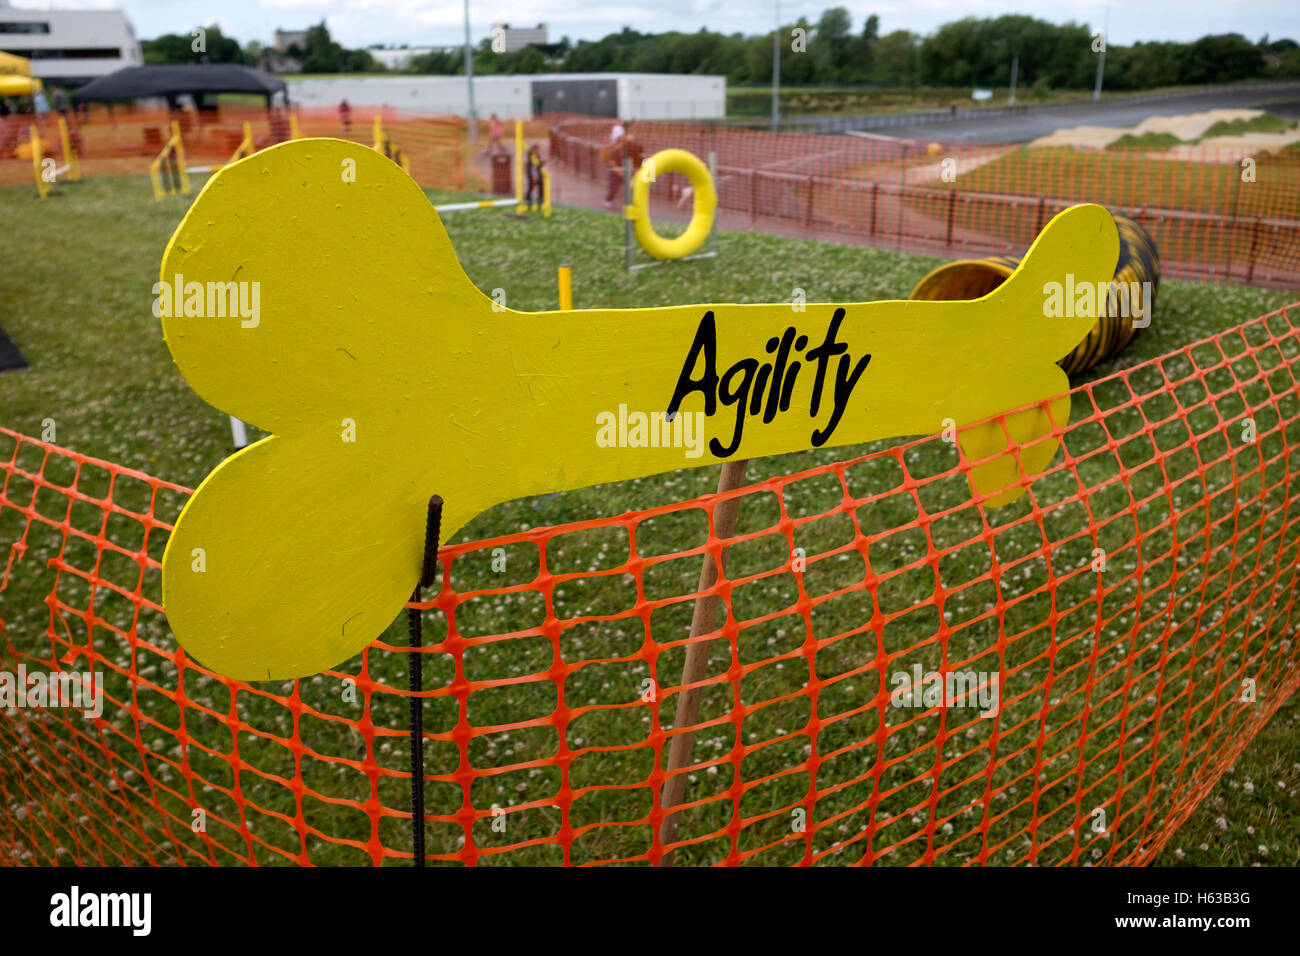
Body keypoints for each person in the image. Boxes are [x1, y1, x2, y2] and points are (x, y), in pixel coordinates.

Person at [602, 120, 626, 207]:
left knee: (627, 185)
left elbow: (619, 139)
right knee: (614, 186)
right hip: (616, 170)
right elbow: (611, 162)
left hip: (621, 169)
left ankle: (629, 202)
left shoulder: (618, 130)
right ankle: (608, 200)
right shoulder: (615, 151)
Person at [525, 143, 545, 211]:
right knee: (530, 190)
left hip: (538, 176)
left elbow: (540, 166)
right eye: (537, 150)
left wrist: (542, 163)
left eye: (539, 150)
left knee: (541, 189)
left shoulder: (538, 157)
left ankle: (540, 204)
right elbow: (529, 169)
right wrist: (533, 177)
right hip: (532, 176)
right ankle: (529, 204)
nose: (538, 152)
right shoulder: (530, 158)